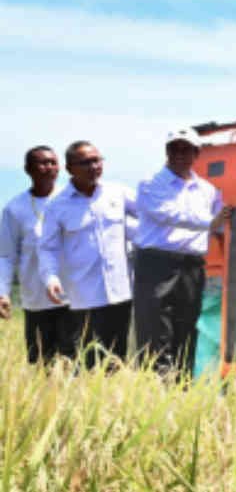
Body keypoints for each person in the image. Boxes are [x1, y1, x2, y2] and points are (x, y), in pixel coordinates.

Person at [134, 129, 232, 377]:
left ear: (197, 153)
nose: (179, 154)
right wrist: (211, 222)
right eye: (174, 149)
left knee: (187, 327)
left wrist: (224, 222)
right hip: (157, 263)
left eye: (185, 149)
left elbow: (220, 223)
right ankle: (155, 390)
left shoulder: (208, 190)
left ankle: (183, 387)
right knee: (156, 328)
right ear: (166, 152)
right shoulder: (150, 183)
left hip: (192, 265)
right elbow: (168, 214)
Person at [38, 141, 138, 367]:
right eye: (86, 162)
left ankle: (119, 399)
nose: (94, 166)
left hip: (122, 292)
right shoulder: (57, 206)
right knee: (90, 360)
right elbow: (47, 248)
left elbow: (152, 217)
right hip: (85, 297)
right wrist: (51, 278)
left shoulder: (118, 193)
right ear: (70, 168)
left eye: (97, 160)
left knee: (122, 358)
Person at [0, 146, 68, 363]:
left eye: (53, 162)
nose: (49, 168)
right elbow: (6, 255)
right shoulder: (15, 208)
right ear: (28, 169)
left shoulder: (71, 198)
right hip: (36, 299)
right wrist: (3, 292)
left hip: (74, 297)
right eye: (43, 163)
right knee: (41, 363)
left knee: (75, 364)